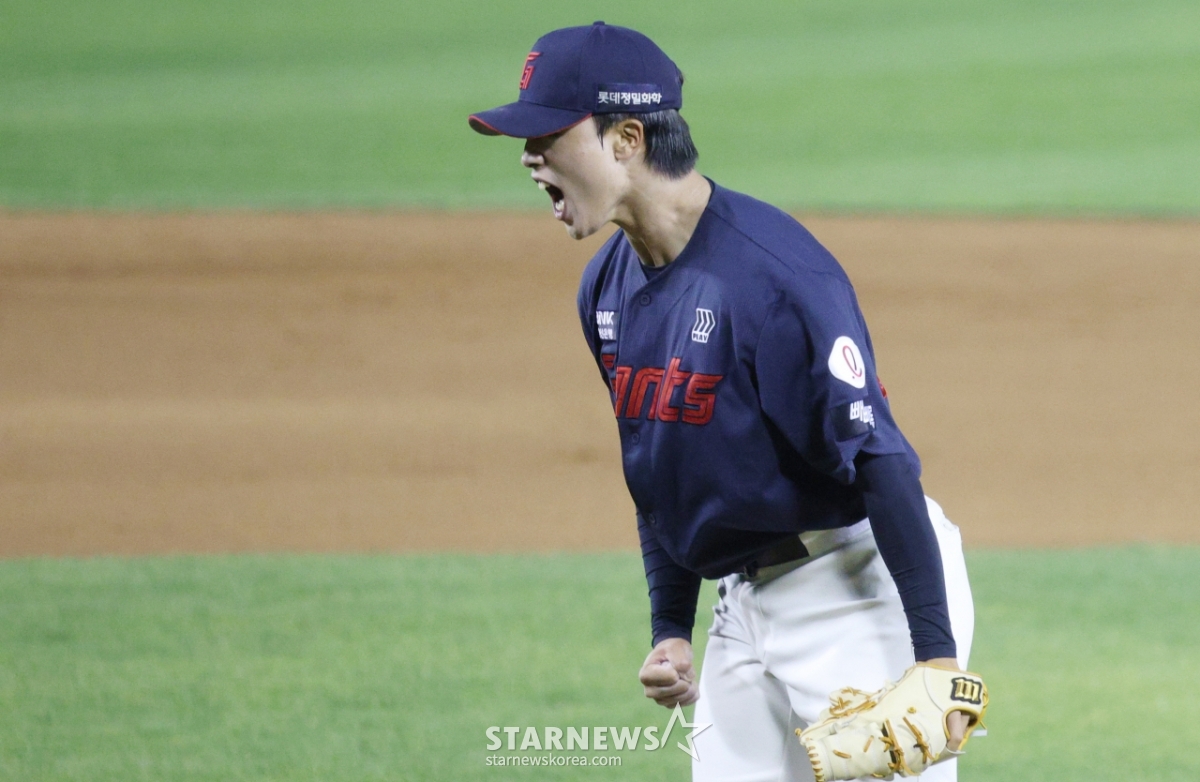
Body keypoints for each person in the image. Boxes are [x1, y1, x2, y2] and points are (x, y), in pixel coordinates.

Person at [469, 22, 980, 782]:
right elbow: (659, 470)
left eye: (548, 135)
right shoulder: (606, 287)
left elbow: (881, 462)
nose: (528, 156)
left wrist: (935, 660)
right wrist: (671, 625)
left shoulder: (775, 282)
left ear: (627, 139)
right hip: (745, 605)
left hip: (855, 591)